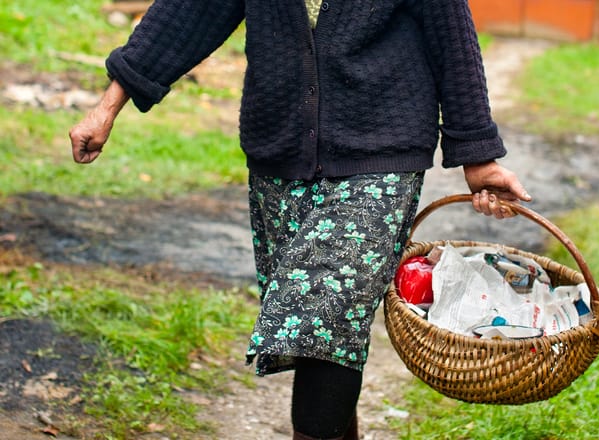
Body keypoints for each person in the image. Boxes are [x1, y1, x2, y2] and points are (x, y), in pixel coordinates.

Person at [69, 1, 531, 438]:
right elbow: (189, 13)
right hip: (280, 154)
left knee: (320, 322)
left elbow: (452, 39)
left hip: (381, 155)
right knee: (324, 333)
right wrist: (107, 107)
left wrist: (479, 157)